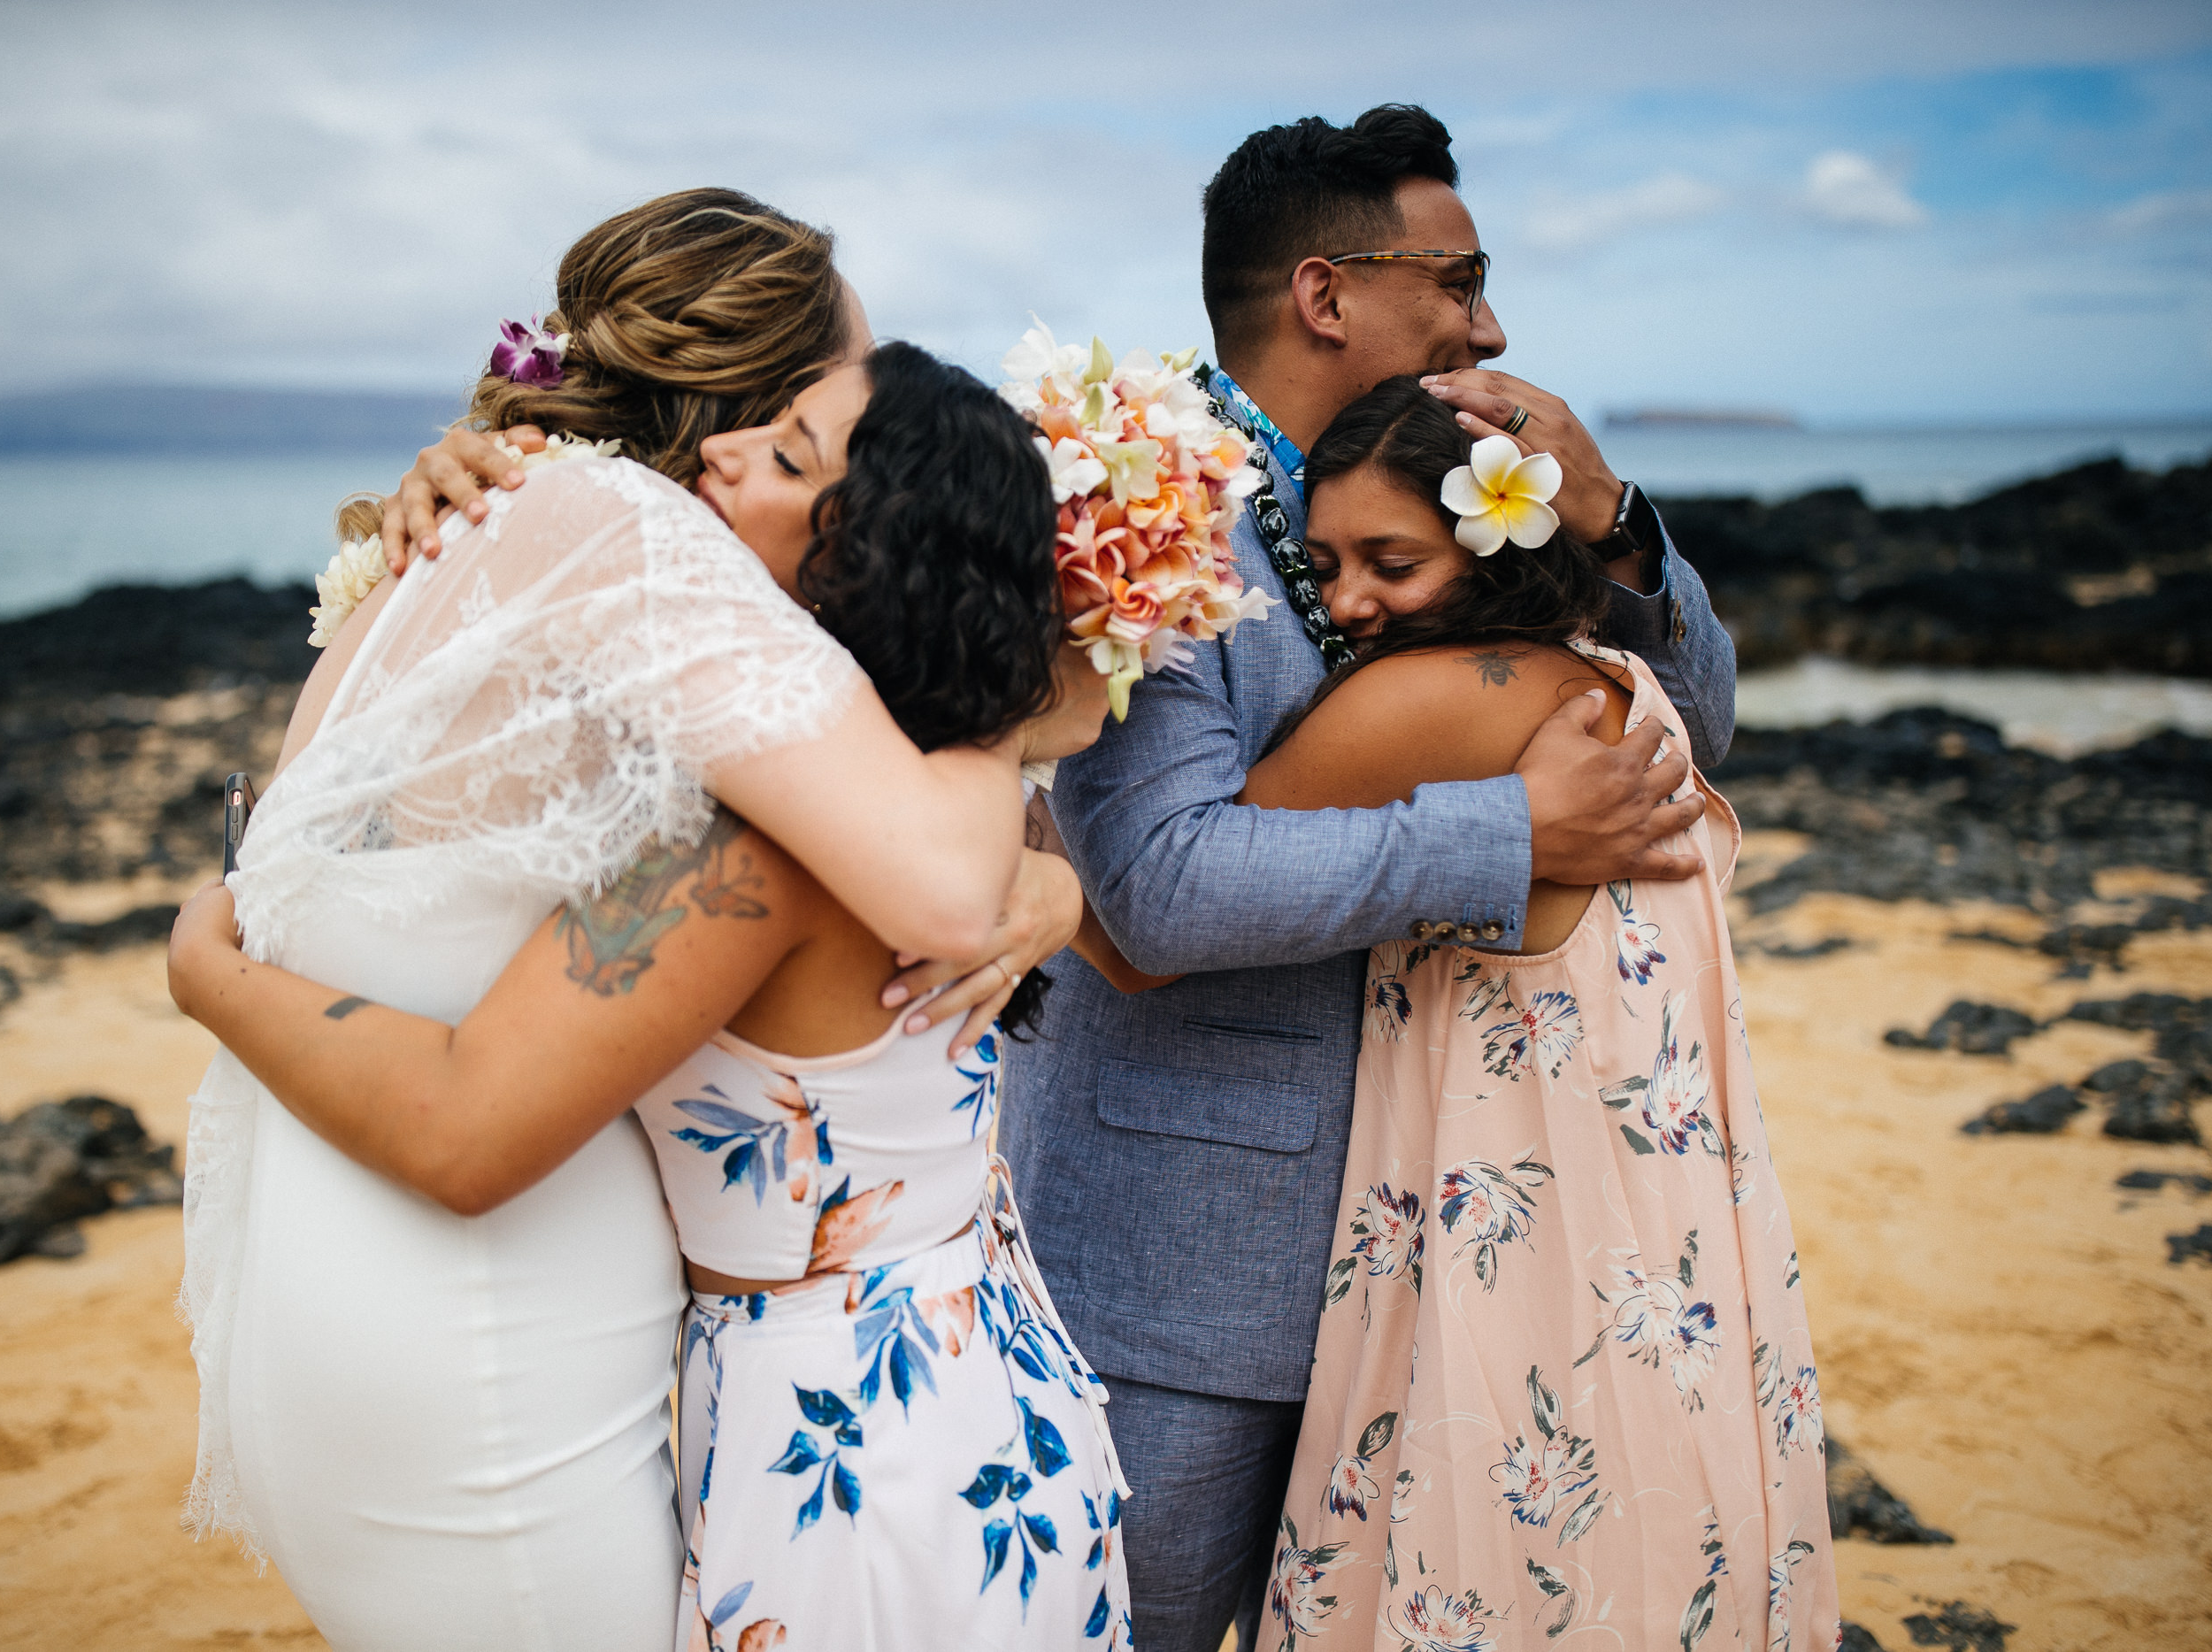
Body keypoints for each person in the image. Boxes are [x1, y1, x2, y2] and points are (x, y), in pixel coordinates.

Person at [175, 193, 1079, 1649]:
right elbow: (943, 881)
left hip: (340, 1282)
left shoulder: (515, 526)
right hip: (481, 1321)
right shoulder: (628, 543)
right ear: (729, 411)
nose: (747, 462)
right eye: (789, 419)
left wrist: (1054, 865)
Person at [1000, 105, 1745, 1648]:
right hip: (1190, 1266)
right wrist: (1515, 840)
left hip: (1438, 1242)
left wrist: (1606, 515)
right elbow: (1156, 887)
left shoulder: (1456, 479)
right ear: (1328, 295)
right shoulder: (1141, 506)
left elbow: (1696, 727)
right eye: (1459, 278)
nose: (1490, 323)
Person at [1073, 376, 1834, 1651]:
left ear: (1495, 542)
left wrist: (1029, 812)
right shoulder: (1614, 690)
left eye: (1394, 559)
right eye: (1322, 563)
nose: (1352, 599)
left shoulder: (1423, 705)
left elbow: (1154, 922)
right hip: (1650, 1245)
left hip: (1507, 1261)